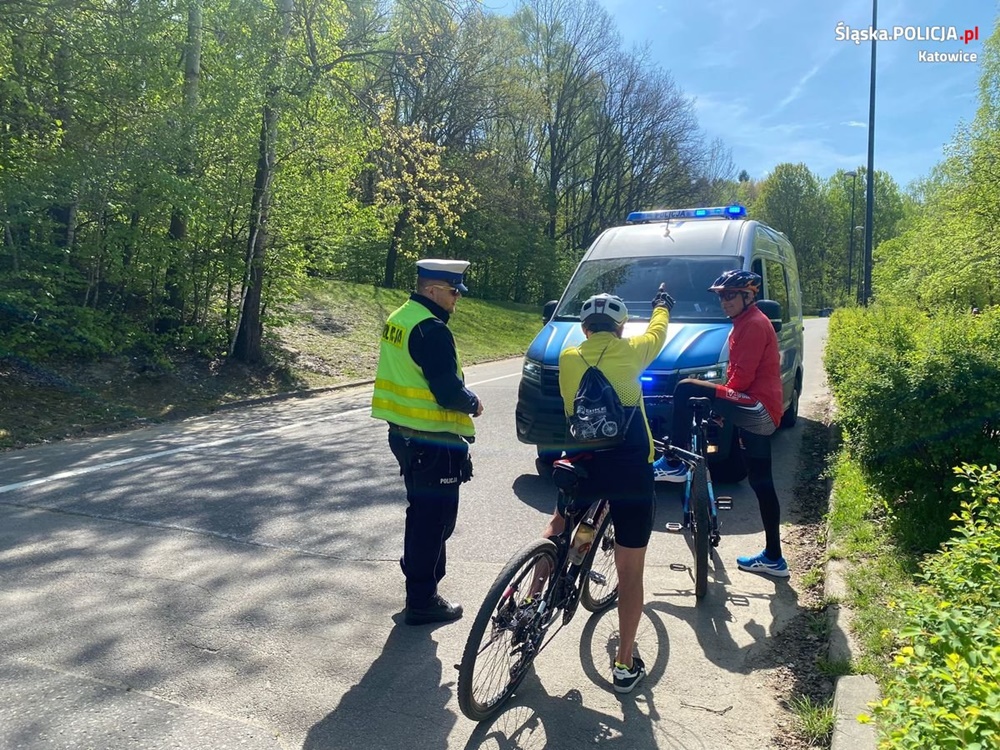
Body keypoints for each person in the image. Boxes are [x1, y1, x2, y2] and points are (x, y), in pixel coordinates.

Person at [537, 284, 673, 694]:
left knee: (559, 526)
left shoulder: (568, 357)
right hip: (630, 471)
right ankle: (624, 664)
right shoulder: (632, 352)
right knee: (630, 573)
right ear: (620, 328)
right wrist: (661, 305)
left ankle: (528, 601)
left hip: (582, 464)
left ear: (584, 328)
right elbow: (658, 332)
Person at [652, 269, 789, 578]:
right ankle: (774, 557)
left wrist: (721, 400)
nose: (724, 301)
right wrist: (721, 404)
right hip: (759, 409)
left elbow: (741, 379)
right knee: (761, 481)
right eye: (721, 296)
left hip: (756, 405)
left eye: (730, 295)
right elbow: (737, 378)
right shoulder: (745, 322)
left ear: (748, 296)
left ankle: (674, 462)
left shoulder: (753, 324)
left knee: (686, 387)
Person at [371, 258, 484, 625]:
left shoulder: (400, 317)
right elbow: (447, 392)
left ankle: (417, 570)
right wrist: (473, 403)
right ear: (432, 290)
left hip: (404, 435)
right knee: (435, 522)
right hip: (433, 440)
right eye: (453, 292)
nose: (457, 298)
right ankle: (422, 599)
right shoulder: (431, 329)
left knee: (422, 515)